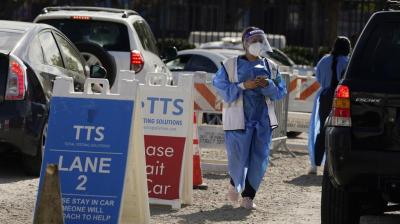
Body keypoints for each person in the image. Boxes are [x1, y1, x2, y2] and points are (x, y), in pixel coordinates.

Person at [212, 27, 287, 209]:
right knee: (238, 156)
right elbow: (220, 87)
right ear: (245, 44)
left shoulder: (271, 67)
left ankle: (249, 197)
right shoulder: (230, 65)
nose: (257, 44)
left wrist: (267, 84)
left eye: (260, 41)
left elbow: (280, 92)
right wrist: (243, 85)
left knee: (258, 158)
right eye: (254, 41)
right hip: (239, 121)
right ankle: (234, 183)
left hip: (262, 121)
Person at [308, 36, 351, 174]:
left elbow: (319, 77)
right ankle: (335, 163)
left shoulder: (324, 60)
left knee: (322, 130)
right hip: (342, 99)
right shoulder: (348, 62)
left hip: (325, 97)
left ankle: (315, 164)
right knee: (340, 130)